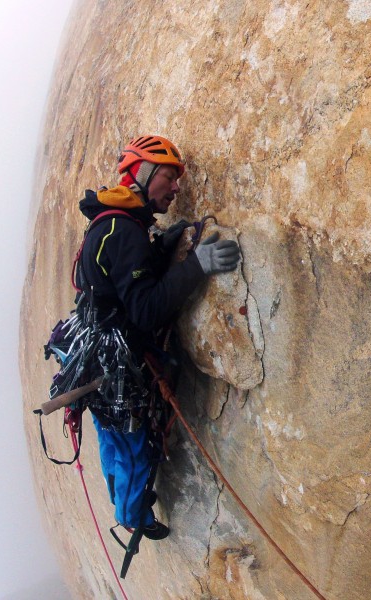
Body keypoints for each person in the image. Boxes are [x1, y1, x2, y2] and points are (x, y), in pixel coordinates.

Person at [75, 135, 239, 540]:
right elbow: (146, 311)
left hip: (92, 348)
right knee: (131, 442)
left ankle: (119, 495)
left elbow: (117, 274)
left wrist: (162, 246)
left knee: (110, 432)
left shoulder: (115, 219)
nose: (177, 187)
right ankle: (132, 514)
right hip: (114, 357)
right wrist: (196, 265)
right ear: (143, 174)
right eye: (169, 176)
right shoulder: (124, 229)